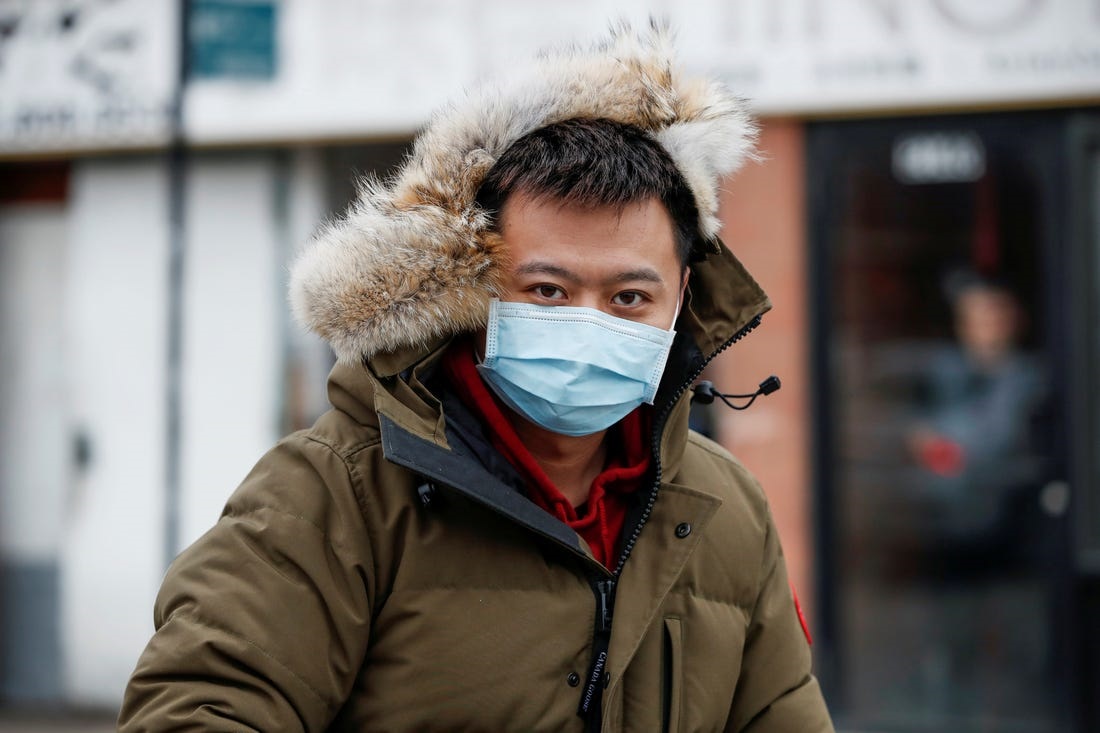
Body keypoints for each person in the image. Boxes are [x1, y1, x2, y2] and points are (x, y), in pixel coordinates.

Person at [119, 22, 833, 732]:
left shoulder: (724, 506)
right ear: (475, 285)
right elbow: (196, 708)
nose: (588, 324)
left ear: (681, 295)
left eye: (628, 298)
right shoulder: (338, 492)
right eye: (548, 290)